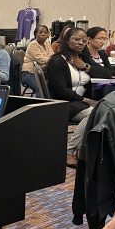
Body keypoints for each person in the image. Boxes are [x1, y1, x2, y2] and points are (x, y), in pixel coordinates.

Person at [47, 27, 96, 167]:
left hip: (80, 103)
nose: (80, 42)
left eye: (83, 40)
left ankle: (86, 150)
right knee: (94, 114)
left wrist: (86, 66)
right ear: (67, 40)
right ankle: (69, 151)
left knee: (109, 110)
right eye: (76, 39)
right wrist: (85, 100)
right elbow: (61, 90)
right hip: (63, 104)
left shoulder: (83, 59)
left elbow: (106, 74)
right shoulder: (57, 61)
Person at [21, 25, 54, 92]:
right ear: (35, 34)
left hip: (43, 72)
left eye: (45, 32)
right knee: (40, 88)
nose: (43, 34)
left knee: (55, 85)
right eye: (40, 32)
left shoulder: (47, 43)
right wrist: (53, 60)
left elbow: (52, 56)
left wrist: (53, 60)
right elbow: (41, 60)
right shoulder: (33, 44)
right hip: (29, 72)